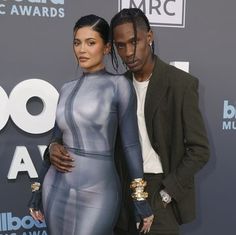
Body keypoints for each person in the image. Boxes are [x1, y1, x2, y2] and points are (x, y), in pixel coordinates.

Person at [45, 8, 210, 235]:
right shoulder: (115, 85)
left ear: (149, 38)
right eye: (121, 46)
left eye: (134, 42)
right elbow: (69, 131)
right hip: (119, 190)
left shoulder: (180, 84)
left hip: (159, 190)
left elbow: (199, 149)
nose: (128, 52)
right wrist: (53, 147)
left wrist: (166, 192)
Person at [28, 14, 154, 235]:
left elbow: (131, 146)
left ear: (106, 48)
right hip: (56, 187)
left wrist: (140, 197)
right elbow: (55, 139)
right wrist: (38, 188)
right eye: (77, 42)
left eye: (91, 42)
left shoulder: (119, 86)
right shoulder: (66, 88)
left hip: (99, 192)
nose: (82, 50)